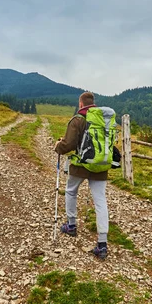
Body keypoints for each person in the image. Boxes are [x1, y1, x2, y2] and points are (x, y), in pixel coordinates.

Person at [54, 92, 109, 260]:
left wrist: (58, 146)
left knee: (71, 191)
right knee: (100, 200)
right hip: (100, 165)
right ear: (93, 103)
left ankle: (71, 225)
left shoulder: (78, 119)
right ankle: (102, 243)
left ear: (80, 103)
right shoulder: (103, 119)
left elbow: (69, 144)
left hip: (81, 165)